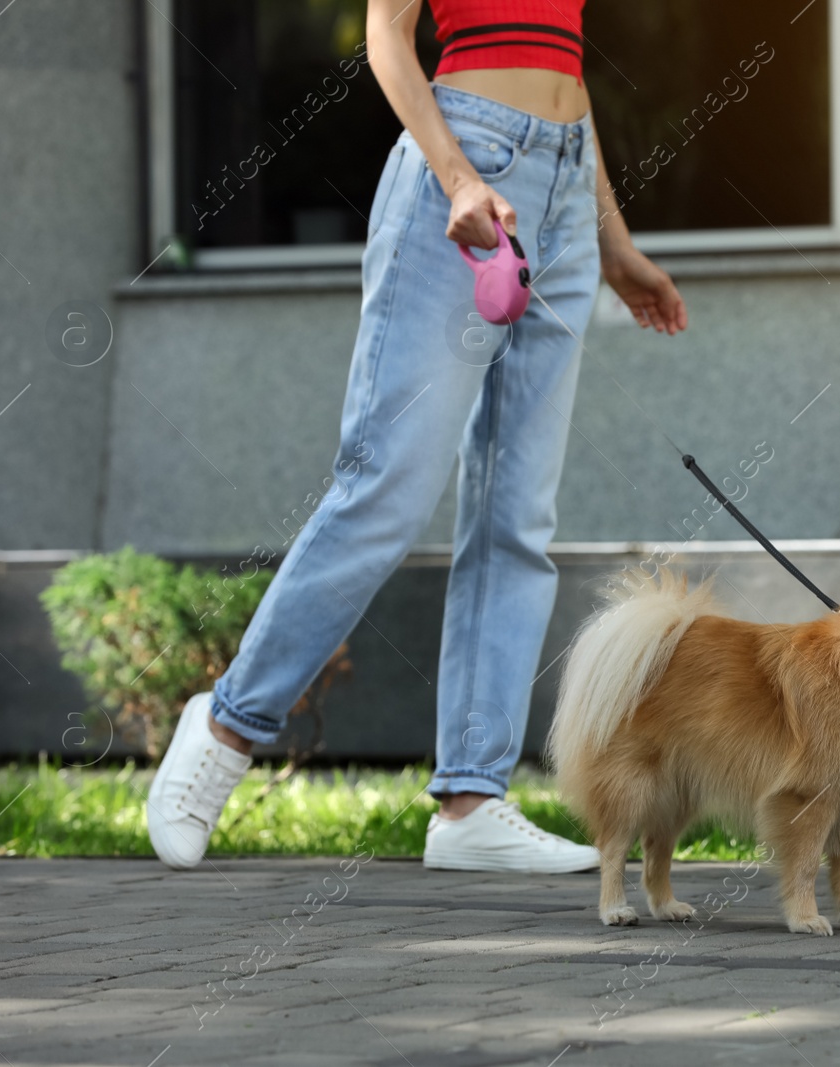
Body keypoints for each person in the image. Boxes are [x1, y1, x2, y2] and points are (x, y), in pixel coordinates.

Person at [145, 0, 687, 872]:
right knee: (386, 486)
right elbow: (386, 37)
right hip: (463, 173)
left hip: (565, 186)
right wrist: (458, 176)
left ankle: (472, 801)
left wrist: (614, 243)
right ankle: (223, 728)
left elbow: (565, 67)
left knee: (518, 516)